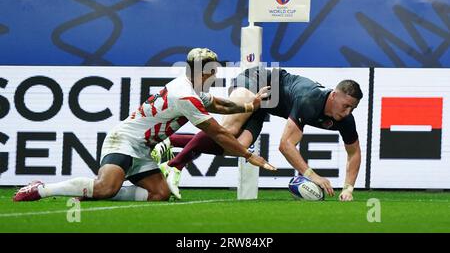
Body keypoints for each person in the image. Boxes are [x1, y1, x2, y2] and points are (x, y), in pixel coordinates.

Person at [13, 48, 276, 202]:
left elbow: (219, 105)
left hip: (142, 148)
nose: (215, 75)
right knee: (107, 187)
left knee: (159, 194)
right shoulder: (185, 95)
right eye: (214, 71)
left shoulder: (190, 89)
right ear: (206, 72)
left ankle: (91, 192)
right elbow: (217, 131)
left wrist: (248, 106)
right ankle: (41, 189)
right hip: (125, 141)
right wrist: (248, 155)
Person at [154, 66, 363, 202]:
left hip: (265, 106)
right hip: (257, 80)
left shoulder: (345, 119)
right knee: (229, 131)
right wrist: (312, 176)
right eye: (345, 106)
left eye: (352, 108)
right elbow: (285, 145)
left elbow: (354, 153)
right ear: (334, 96)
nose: (347, 112)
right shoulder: (310, 100)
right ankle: (174, 166)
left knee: (235, 147)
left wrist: (348, 188)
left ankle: (168, 142)